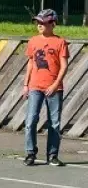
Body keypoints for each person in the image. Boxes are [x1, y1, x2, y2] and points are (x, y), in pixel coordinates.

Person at [22, 9, 68, 167]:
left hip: (54, 88)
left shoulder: (60, 42)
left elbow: (64, 66)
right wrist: (26, 85)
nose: (39, 25)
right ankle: (30, 153)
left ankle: (52, 155)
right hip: (35, 86)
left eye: (43, 22)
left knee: (54, 123)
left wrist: (55, 85)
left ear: (53, 24)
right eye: (38, 22)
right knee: (31, 120)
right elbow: (30, 63)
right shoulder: (33, 41)